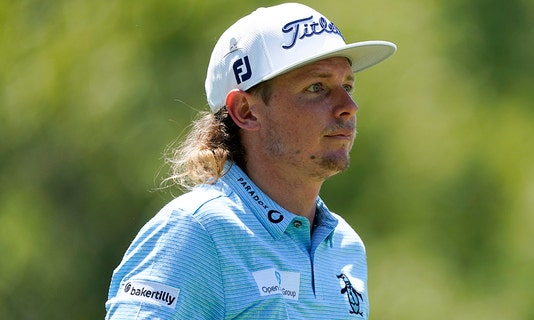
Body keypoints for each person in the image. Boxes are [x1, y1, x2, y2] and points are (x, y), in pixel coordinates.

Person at [105, 2, 396, 319]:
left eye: (348, 85)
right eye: (317, 87)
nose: (348, 105)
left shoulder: (345, 246)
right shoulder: (197, 231)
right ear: (246, 111)